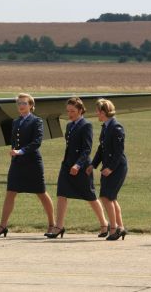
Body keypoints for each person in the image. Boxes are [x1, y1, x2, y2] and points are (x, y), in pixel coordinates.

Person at [0, 93, 55, 237]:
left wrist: (21, 151)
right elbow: (14, 141)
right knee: (10, 193)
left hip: (33, 162)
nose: (21, 106)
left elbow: (37, 142)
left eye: (24, 103)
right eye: (19, 103)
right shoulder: (15, 121)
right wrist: (15, 153)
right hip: (17, 163)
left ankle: (52, 224)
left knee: (41, 193)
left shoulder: (36, 121)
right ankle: (2, 226)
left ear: (31, 106)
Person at [46, 97, 108, 239]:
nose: (70, 113)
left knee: (90, 196)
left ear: (80, 110)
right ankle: (59, 226)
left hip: (81, 167)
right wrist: (67, 162)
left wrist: (78, 164)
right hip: (67, 165)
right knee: (61, 194)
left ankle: (104, 224)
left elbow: (87, 149)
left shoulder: (86, 125)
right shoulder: (69, 125)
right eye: (68, 111)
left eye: (73, 111)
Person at [86, 99, 128, 241]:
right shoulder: (106, 126)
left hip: (116, 167)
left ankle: (114, 228)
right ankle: (120, 227)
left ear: (103, 112)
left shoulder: (116, 128)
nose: (96, 114)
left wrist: (110, 168)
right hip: (108, 167)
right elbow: (101, 148)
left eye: (98, 111)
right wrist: (93, 164)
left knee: (106, 197)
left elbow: (118, 152)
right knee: (111, 198)